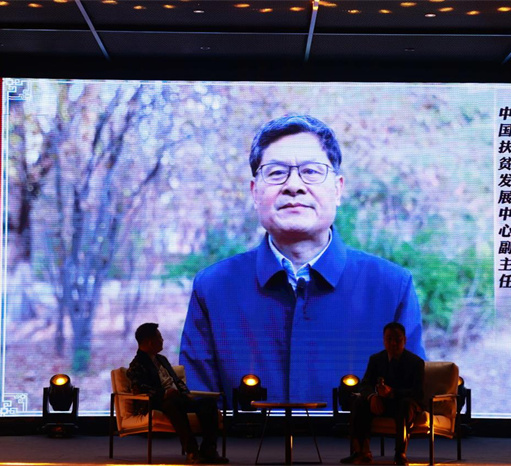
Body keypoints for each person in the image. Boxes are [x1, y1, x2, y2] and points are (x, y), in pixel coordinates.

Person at [180, 114, 425, 407]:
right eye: (276, 173)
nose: (293, 185)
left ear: (338, 189)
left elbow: (411, 399)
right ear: (255, 192)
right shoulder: (214, 288)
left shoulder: (391, 287)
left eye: (311, 171)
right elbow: (199, 408)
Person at [127, 323, 228, 464]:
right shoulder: (137, 365)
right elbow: (140, 389)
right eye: (159, 337)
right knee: (171, 403)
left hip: (177, 398)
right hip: (157, 401)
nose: (162, 340)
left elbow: (176, 380)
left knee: (208, 403)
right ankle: (192, 451)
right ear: (150, 342)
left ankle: (208, 449)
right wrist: (165, 393)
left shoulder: (161, 359)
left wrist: (185, 393)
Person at [340, 322, 424, 466]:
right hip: (381, 403)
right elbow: (365, 384)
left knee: (405, 405)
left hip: (404, 403)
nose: (393, 343)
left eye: (397, 339)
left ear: (404, 339)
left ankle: (400, 453)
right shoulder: (376, 359)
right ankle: (361, 452)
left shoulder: (416, 362)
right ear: (383, 340)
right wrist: (372, 396)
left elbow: (417, 392)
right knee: (359, 402)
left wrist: (392, 393)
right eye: (389, 339)